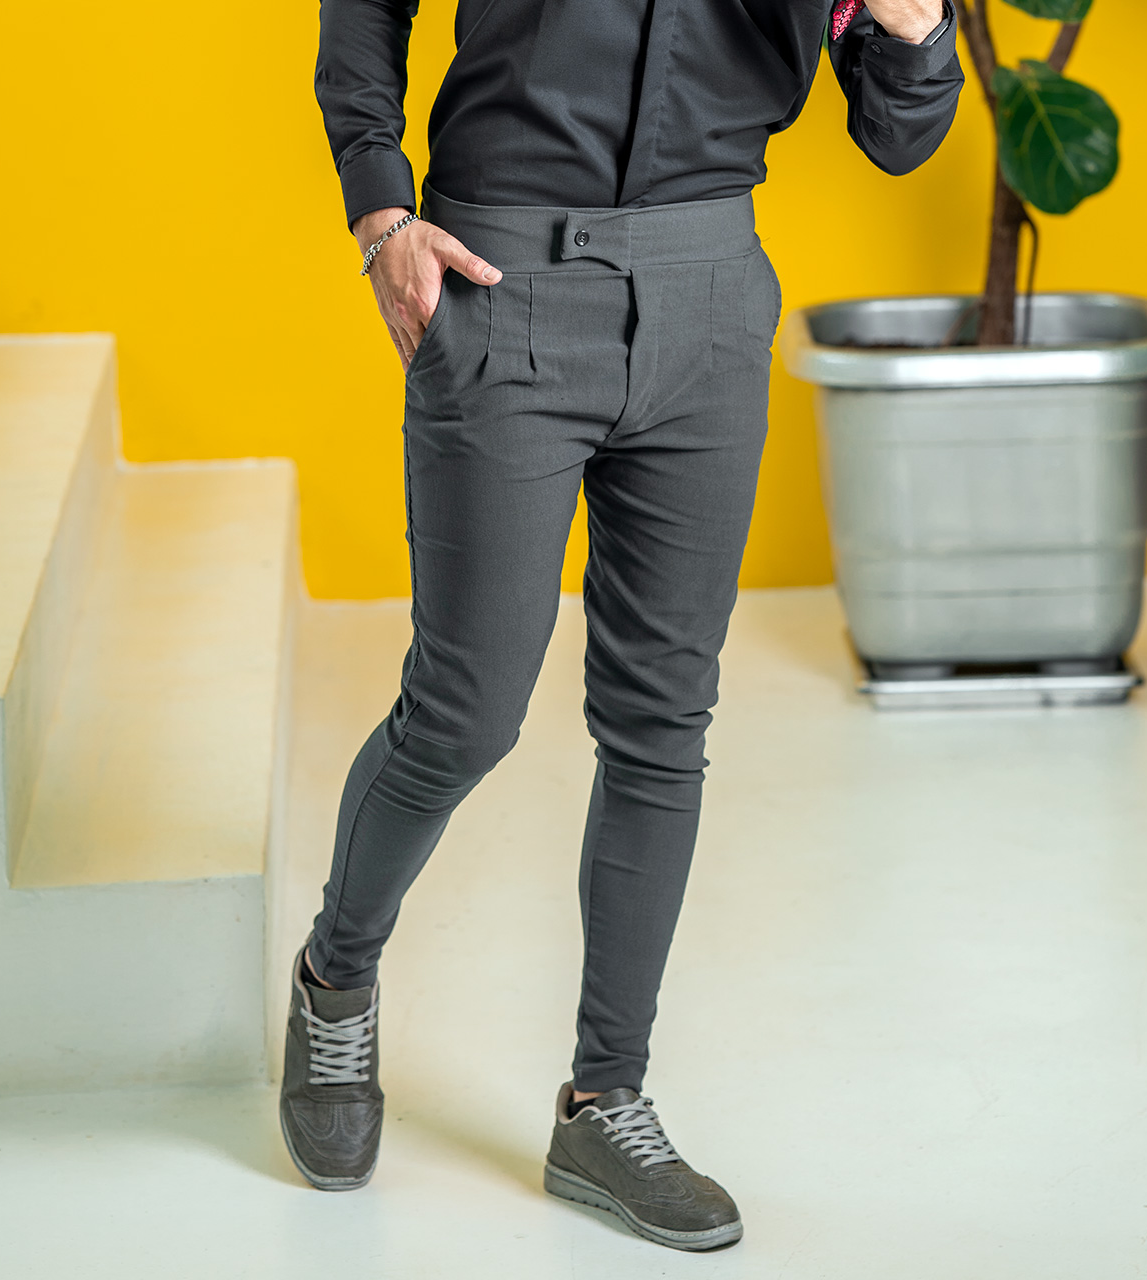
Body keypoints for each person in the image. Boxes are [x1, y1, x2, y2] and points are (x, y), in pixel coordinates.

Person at [280, 0, 963, 1251]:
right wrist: (380, 210)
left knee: (661, 722)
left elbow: (897, 133)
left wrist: (917, 30)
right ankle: (335, 977)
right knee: (461, 714)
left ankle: (605, 1100)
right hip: (499, 279)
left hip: (709, 296)